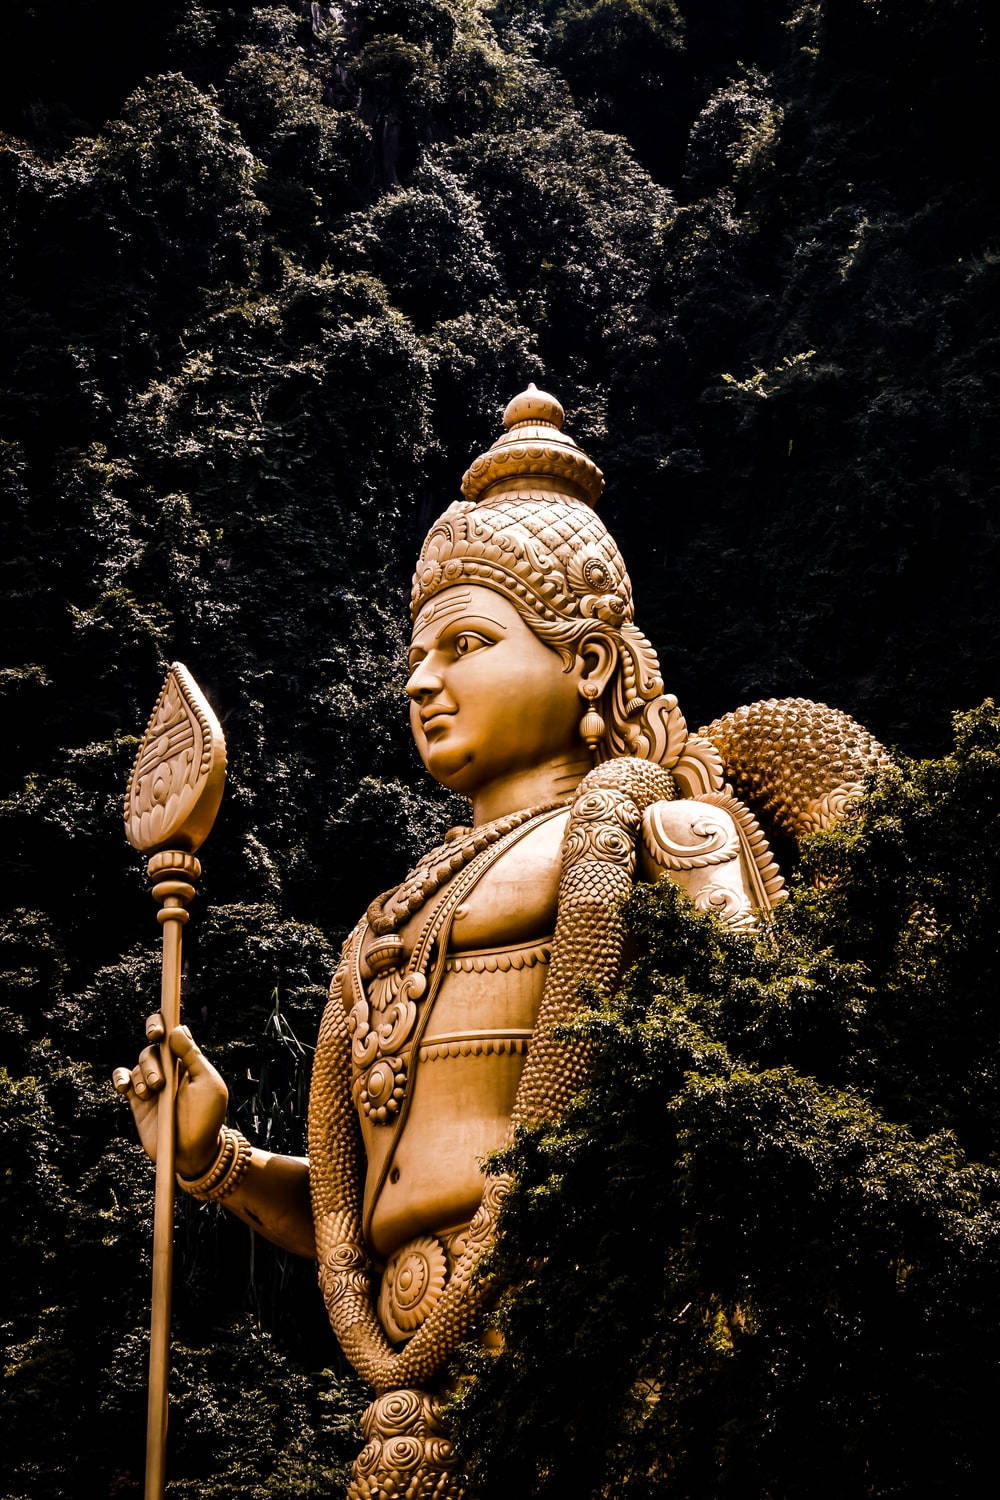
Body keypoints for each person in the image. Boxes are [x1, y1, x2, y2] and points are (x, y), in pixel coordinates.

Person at [114, 385, 885, 1496]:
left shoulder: (667, 832)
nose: (425, 680)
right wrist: (214, 1162)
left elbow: (754, 1099)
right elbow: (361, 1211)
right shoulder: (392, 914)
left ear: (584, 662)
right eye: (416, 656)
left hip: (602, 1356)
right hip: (409, 1393)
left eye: (466, 643)